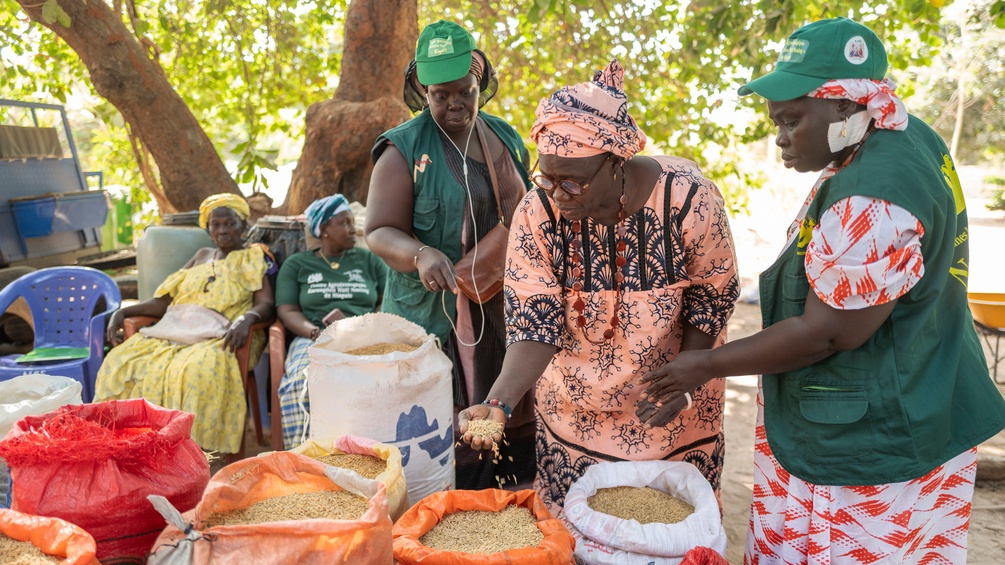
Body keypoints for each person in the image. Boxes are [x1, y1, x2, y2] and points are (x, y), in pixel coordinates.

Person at [637, 18, 1005, 563]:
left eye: (790, 119)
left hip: (869, 439)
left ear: (843, 106)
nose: (781, 136)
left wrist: (704, 366)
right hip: (922, 388)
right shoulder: (905, 136)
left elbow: (827, 334)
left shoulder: (870, 199)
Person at [458, 60, 740, 518]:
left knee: (667, 534)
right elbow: (535, 320)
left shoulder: (689, 199)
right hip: (574, 422)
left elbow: (712, 299)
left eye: (572, 181)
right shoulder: (538, 213)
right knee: (578, 535)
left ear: (616, 163)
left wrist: (683, 385)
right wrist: (499, 400)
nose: (558, 194)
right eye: (546, 177)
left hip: (672, 409)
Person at [364, 20, 535, 489]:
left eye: (465, 91)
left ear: (479, 82)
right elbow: (378, 230)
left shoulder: (503, 136)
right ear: (423, 89)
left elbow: (528, 211)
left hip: (500, 304)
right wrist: (419, 253)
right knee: (438, 424)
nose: (454, 103)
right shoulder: (403, 148)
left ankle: (501, 508)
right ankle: (444, 512)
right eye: (441, 94)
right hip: (433, 311)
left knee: (506, 414)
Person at [95, 193, 276, 455]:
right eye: (216, 224)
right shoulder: (201, 255)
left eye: (230, 223)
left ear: (243, 227)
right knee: (121, 359)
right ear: (209, 230)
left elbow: (266, 303)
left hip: (223, 334)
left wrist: (246, 318)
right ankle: (131, 445)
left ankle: (189, 452)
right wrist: (124, 313)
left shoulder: (253, 258)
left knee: (195, 368)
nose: (222, 230)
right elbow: (163, 302)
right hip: (174, 329)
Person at [275, 194, 388, 449]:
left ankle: (362, 451)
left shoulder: (369, 260)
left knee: (378, 381)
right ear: (324, 229)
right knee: (300, 382)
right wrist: (316, 333)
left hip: (365, 338)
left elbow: (385, 301)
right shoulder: (297, 264)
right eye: (344, 223)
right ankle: (302, 457)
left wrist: (366, 326)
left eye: (352, 222)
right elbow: (288, 310)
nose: (352, 229)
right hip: (314, 338)